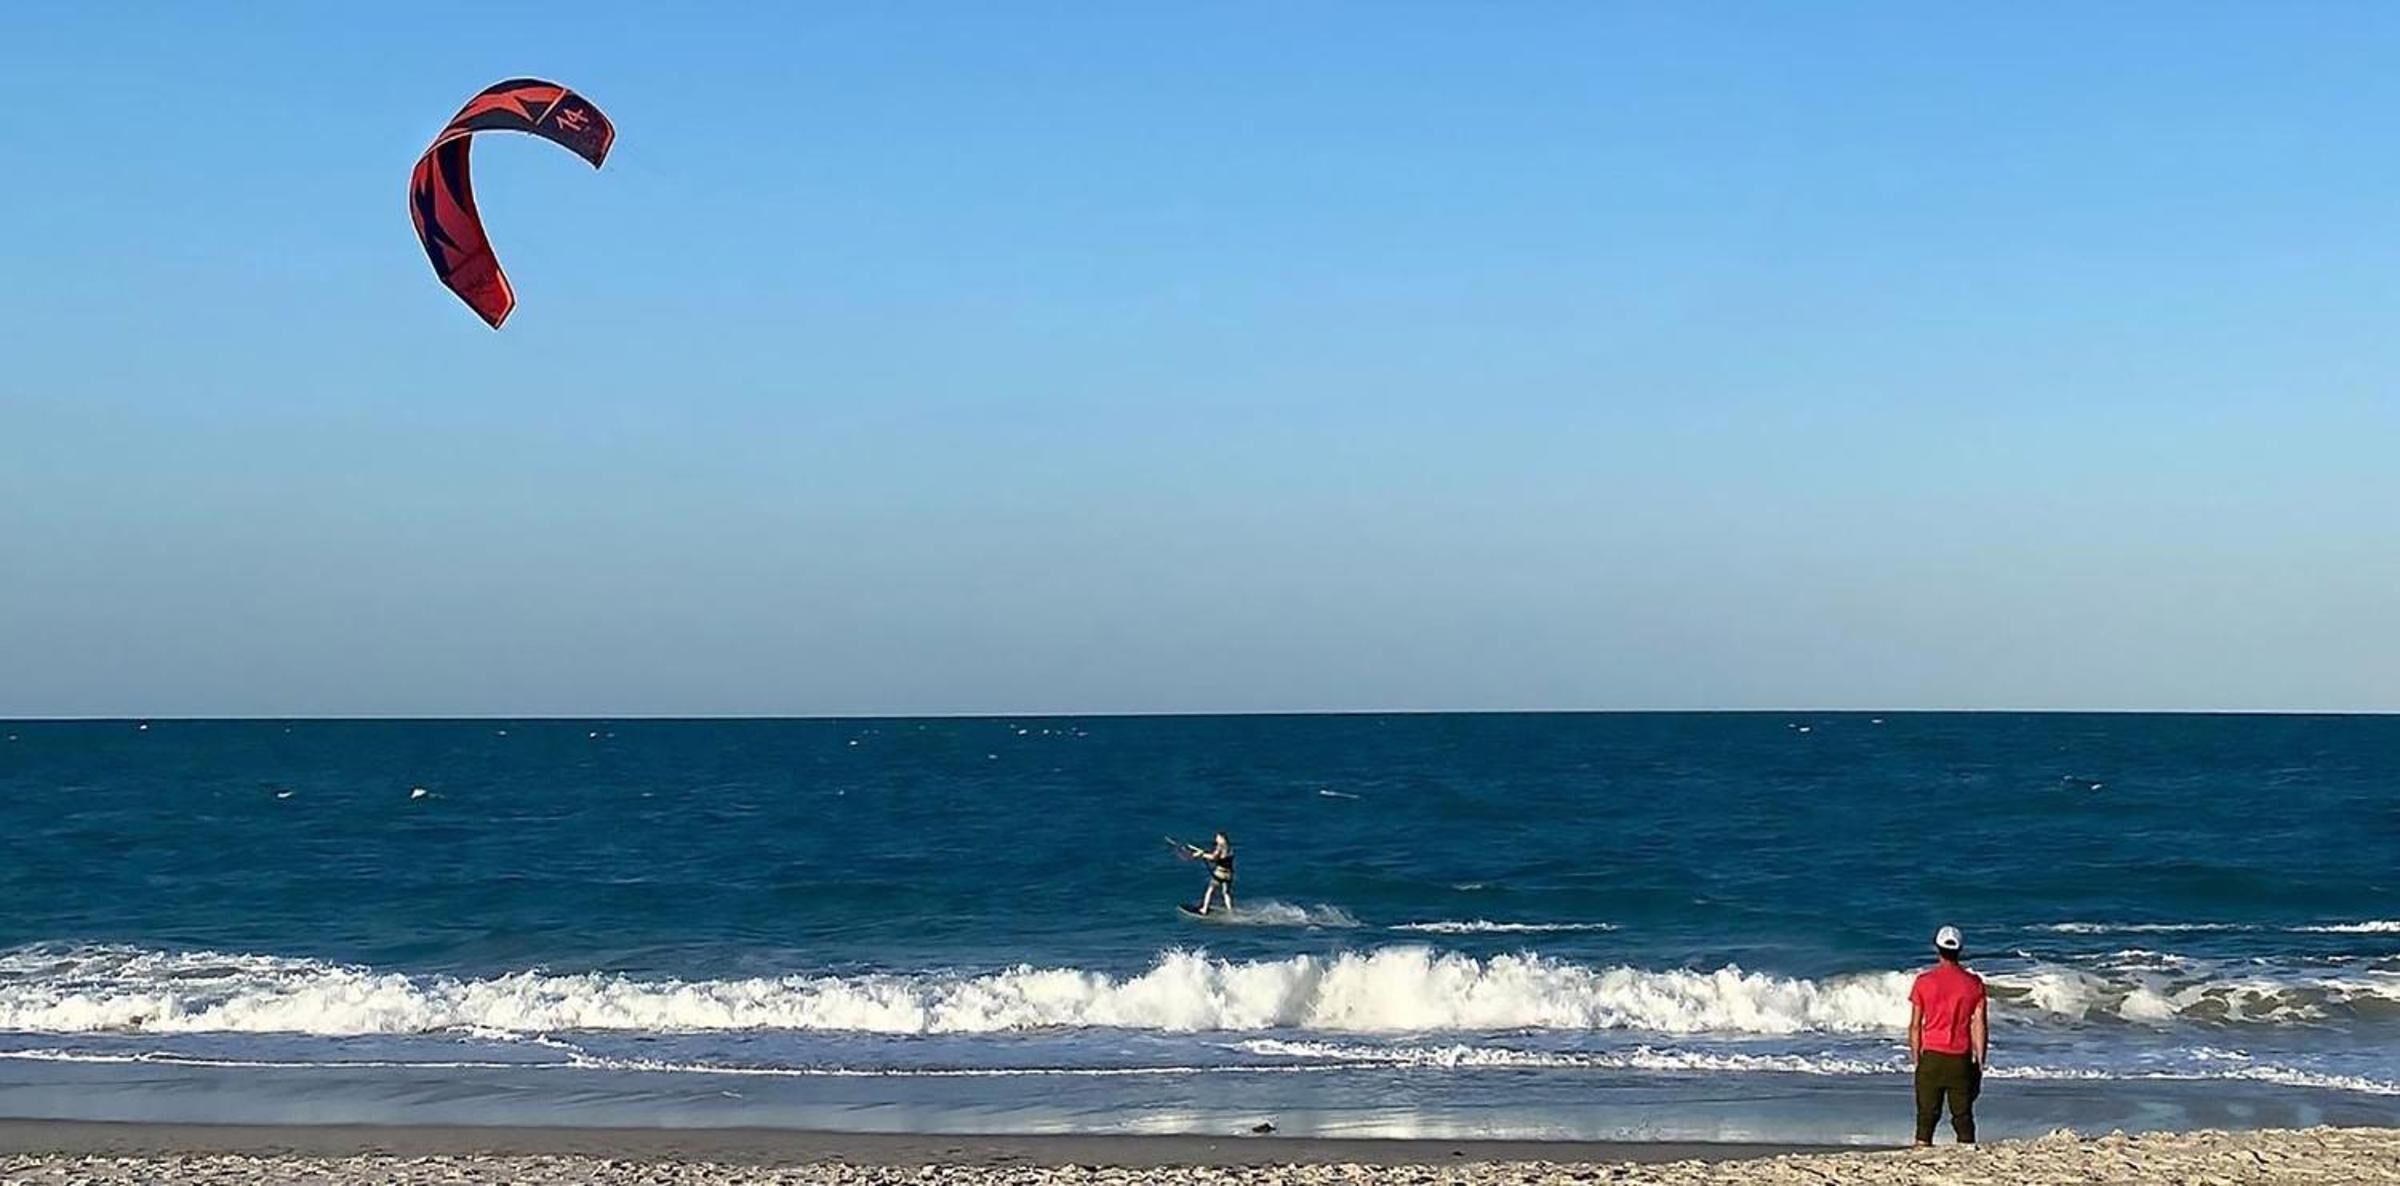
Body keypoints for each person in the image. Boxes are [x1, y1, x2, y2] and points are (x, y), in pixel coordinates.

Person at [1908, 925, 1989, 1145]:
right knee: (1963, 1116)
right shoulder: (1974, 983)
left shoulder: (1924, 981)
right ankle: (1967, 1152)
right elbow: (1979, 1025)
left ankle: (1922, 1148)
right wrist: (1980, 1061)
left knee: (1926, 1116)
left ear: (1937, 948)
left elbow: (1915, 1026)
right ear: (1960, 950)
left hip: (1931, 1055)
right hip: (1960, 1057)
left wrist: (1916, 1058)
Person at [1182, 832, 1235, 915]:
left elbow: (1213, 857)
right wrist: (1203, 853)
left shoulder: (1220, 847)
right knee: (1226, 893)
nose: (1216, 839)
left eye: (1217, 837)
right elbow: (1222, 859)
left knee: (1210, 891)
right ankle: (1230, 911)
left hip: (1220, 874)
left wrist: (1201, 855)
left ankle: (1204, 909)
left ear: (1221, 838)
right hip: (1229, 874)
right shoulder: (1230, 848)